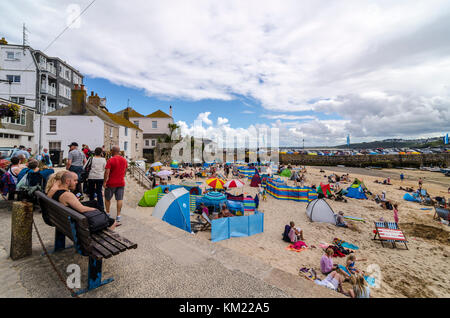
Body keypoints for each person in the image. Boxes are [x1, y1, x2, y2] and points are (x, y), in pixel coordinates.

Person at [47, 172, 116, 230]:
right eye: (74, 181)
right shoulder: (67, 195)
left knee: (93, 202)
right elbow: (82, 209)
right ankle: (104, 234)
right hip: (78, 225)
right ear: (67, 181)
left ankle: (105, 219)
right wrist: (96, 210)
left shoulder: (55, 191)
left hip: (65, 221)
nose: (76, 183)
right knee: (113, 222)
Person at [104, 146, 127, 225]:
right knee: (119, 199)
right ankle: (118, 216)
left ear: (112, 151)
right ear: (119, 151)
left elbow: (107, 172)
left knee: (107, 199)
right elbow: (125, 171)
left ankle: (107, 213)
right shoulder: (124, 160)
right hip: (121, 182)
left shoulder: (110, 160)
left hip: (111, 183)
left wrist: (104, 182)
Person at [87, 147, 106, 212]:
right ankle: (101, 207)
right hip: (100, 177)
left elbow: (86, 167)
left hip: (91, 176)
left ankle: (91, 206)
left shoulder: (91, 158)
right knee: (99, 192)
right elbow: (104, 168)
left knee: (91, 192)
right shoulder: (103, 160)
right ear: (101, 153)